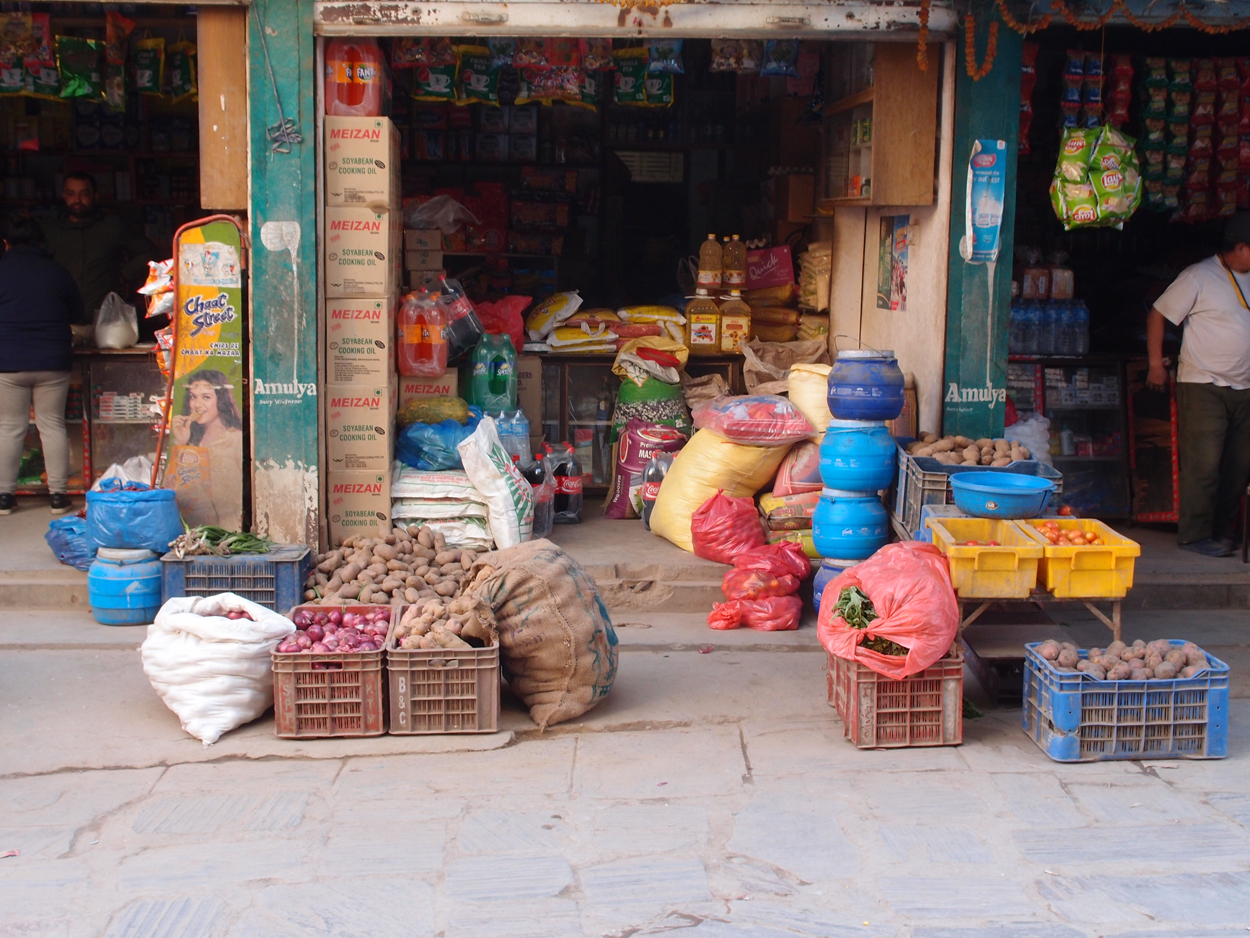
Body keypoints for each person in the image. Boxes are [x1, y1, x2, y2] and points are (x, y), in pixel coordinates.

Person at [1146, 211, 1250, 557]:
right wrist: (1154, 364)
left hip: (1245, 387)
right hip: (1202, 384)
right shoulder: (1200, 276)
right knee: (1203, 463)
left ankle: (1224, 531)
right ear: (1241, 248)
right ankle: (1195, 534)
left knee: (1238, 466)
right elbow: (1158, 313)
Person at [0, 213, 84, 515]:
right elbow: (79, 312)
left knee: (10, 427)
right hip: (52, 361)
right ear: (40, 242)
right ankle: (59, 496)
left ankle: (5, 498)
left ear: (6, 243)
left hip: (8, 362)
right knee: (52, 425)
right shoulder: (56, 272)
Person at [40, 172, 156, 323]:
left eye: (84, 194)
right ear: (63, 195)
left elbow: (148, 251)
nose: (77, 200)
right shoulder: (50, 230)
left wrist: (124, 275)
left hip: (104, 316)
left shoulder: (110, 226)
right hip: (61, 315)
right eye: (71, 194)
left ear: (95, 196)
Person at [166, 367, 243, 528]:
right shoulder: (191, 442)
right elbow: (169, 492)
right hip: (192, 535)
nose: (197, 405)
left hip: (229, 534)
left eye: (206, 397)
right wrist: (181, 444)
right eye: (193, 397)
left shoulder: (236, 440)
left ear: (221, 399)